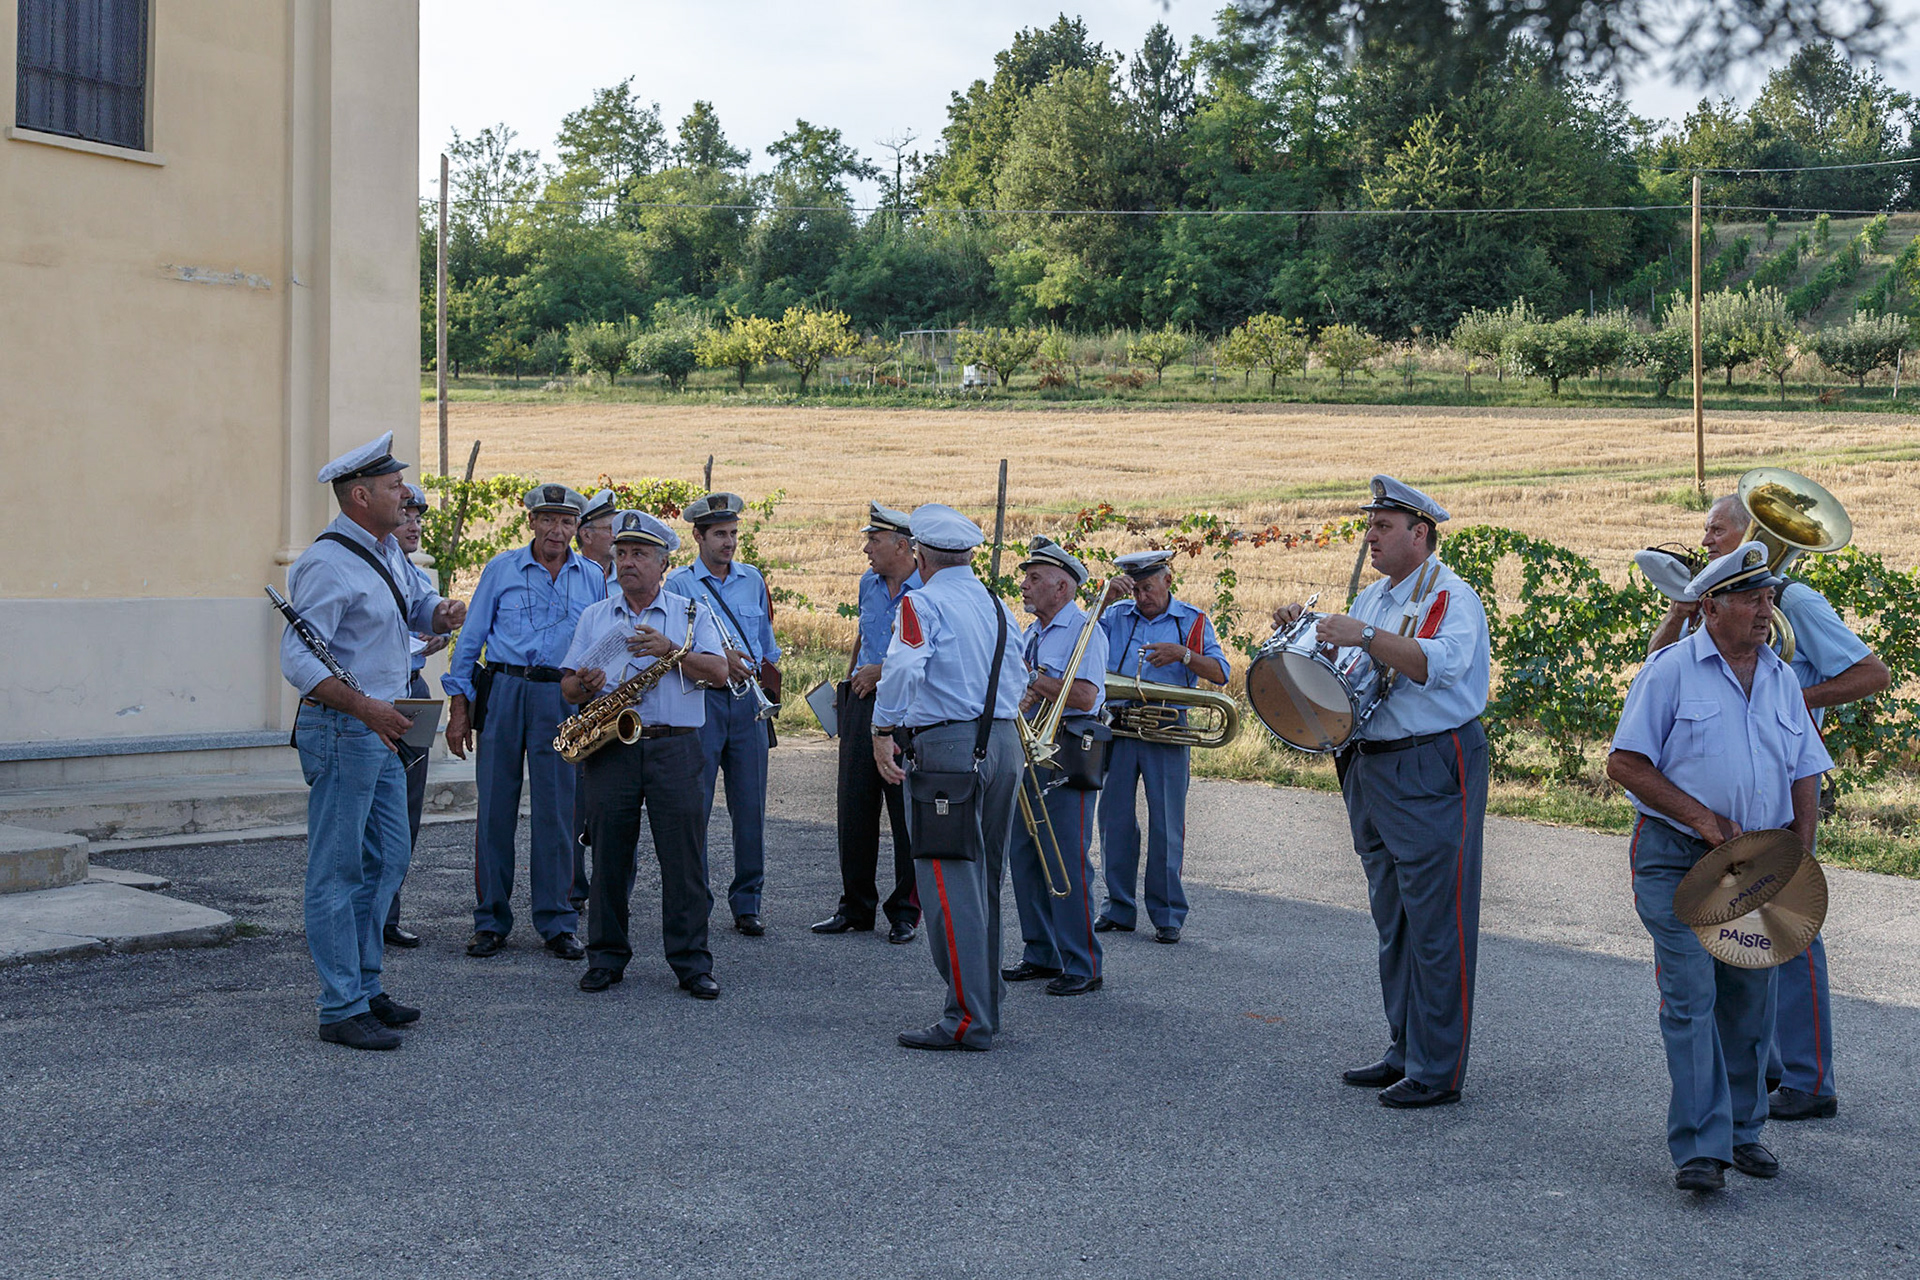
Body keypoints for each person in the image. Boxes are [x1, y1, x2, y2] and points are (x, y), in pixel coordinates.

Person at [1646, 493, 1889, 1123]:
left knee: (1788, 932)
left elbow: (1873, 674)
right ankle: (1769, 1071)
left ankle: (1810, 1079)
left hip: (1781, 791)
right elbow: (1654, 667)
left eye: (1716, 530)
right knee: (1746, 941)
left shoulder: (1794, 601)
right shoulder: (1711, 603)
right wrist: (1679, 612)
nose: (1705, 540)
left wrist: (1783, 702)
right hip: (1726, 806)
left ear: (1750, 534)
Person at [1608, 542, 1833, 1193]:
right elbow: (1624, 763)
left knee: (1748, 1002)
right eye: (1751, 599)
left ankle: (1741, 1131)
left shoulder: (1781, 677)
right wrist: (1703, 820)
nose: (1766, 610)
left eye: (1768, 598)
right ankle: (1701, 1148)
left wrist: (1798, 854)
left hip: (1757, 862)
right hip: (1678, 857)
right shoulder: (1669, 671)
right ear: (1710, 606)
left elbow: (1805, 770)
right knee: (1692, 997)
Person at [1273, 476, 1490, 1109]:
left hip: (1428, 762)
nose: (1370, 535)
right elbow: (1342, 668)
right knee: (1394, 920)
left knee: (1438, 924)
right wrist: (1303, 629)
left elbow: (1432, 664)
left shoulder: (1447, 594)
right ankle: (1405, 1048)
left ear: (1419, 534)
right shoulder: (1375, 595)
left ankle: (1437, 1068)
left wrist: (1363, 635)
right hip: (1373, 764)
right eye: (1370, 525)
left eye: (1383, 526)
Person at [279, 432, 464, 1050]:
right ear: (360, 496)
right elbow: (299, 660)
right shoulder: (325, 564)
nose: (405, 496)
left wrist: (441, 612)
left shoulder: (386, 551)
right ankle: (340, 1007)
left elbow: (414, 605)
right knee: (338, 869)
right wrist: (363, 707)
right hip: (347, 727)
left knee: (387, 857)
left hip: (385, 725)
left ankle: (364, 985)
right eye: (394, 487)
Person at [872, 504, 1026, 1051]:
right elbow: (1019, 674)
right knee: (983, 881)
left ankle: (966, 1018)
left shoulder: (922, 601)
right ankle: (985, 1007)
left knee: (947, 884)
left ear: (920, 555)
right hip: (1003, 740)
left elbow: (903, 667)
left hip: (947, 748)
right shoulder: (996, 603)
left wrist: (882, 727)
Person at [561, 510, 731, 999]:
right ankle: (606, 958)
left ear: (663, 564)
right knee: (609, 858)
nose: (628, 562)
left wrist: (670, 650)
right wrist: (584, 684)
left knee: (684, 860)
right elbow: (568, 688)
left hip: (675, 745)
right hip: (612, 747)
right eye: (621, 553)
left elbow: (720, 673)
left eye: (639, 554)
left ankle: (692, 963)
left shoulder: (690, 613)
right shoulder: (596, 616)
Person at [443, 484, 607, 962]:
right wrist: (459, 708)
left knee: (558, 811)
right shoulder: (502, 569)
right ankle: (490, 921)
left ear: (577, 528)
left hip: (561, 696)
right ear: (531, 522)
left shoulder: (592, 576)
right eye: (548, 520)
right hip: (505, 690)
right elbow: (470, 641)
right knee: (495, 807)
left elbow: (601, 639)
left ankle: (557, 922)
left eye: (567, 522)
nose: (557, 530)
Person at [1095, 549, 1229, 944]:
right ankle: (1118, 908)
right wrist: (1103, 600)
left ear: (1168, 581)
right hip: (1120, 724)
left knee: (1167, 824)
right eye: (1134, 590)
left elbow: (1221, 673)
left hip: (1167, 727)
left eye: (1148, 588)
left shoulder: (1192, 620)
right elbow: (1080, 645)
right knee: (1114, 821)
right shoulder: (1115, 614)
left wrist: (1183, 654)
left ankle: (1168, 914)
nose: (1141, 597)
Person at [666, 492, 782, 937]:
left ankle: (748, 903)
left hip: (746, 702)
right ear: (698, 537)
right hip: (702, 700)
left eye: (733, 533)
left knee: (750, 808)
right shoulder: (679, 584)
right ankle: (695, 901)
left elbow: (766, 644)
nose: (729, 542)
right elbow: (674, 648)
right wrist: (717, 660)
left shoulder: (752, 579)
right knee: (694, 808)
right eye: (719, 534)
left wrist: (762, 677)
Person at [813, 501, 923, 944]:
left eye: (874, 541)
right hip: (862, 701)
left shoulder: (927, 591)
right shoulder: (868, 583)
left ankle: (905, 912)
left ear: (902, 546)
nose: (866, 549)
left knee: (905, 812)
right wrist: (849, 681)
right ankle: (855, 907)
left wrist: (883, 671)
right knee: (854, 806)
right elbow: (864, 634)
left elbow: (931, 657)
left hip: (908, 708)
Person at [1004, 536, 1110, 996]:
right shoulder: (1033, 632)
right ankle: (1041, 952)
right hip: (1030, 747)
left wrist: (1031, 678)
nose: (1024, 586)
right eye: (1026, 578)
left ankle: (1082, 963)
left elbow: (1085, 696)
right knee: (1024, 854)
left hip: (1067, 748)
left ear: (1062, 587)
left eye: (1034, 578)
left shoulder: (1084, 630)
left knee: (1065, 858)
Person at [383, 481, 448, 948]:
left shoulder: (418, 577)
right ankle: (362, 913)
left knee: (407, 806)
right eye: (406, 515)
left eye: (419, 518)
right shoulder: (372, 567)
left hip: (414, 690)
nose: (414, 525)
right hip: (376, 696)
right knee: (371, 809)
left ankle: (388, 914)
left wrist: (440, 635)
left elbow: (434, 624)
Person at [568, 487, 619, 912]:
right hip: (576, 696)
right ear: (586, 535)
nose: (619, 537)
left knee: (617, 800)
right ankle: (573, 887)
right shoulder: (575, 575)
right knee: (573, 800)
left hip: (619, 703)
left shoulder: (631, 575)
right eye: (610, 529)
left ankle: (614, 891)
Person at [577, 488, 618, 590]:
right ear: (587, 535)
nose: (616, 535)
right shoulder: (569, 580)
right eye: (610, 528)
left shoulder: (627, 580)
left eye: (617, 528)